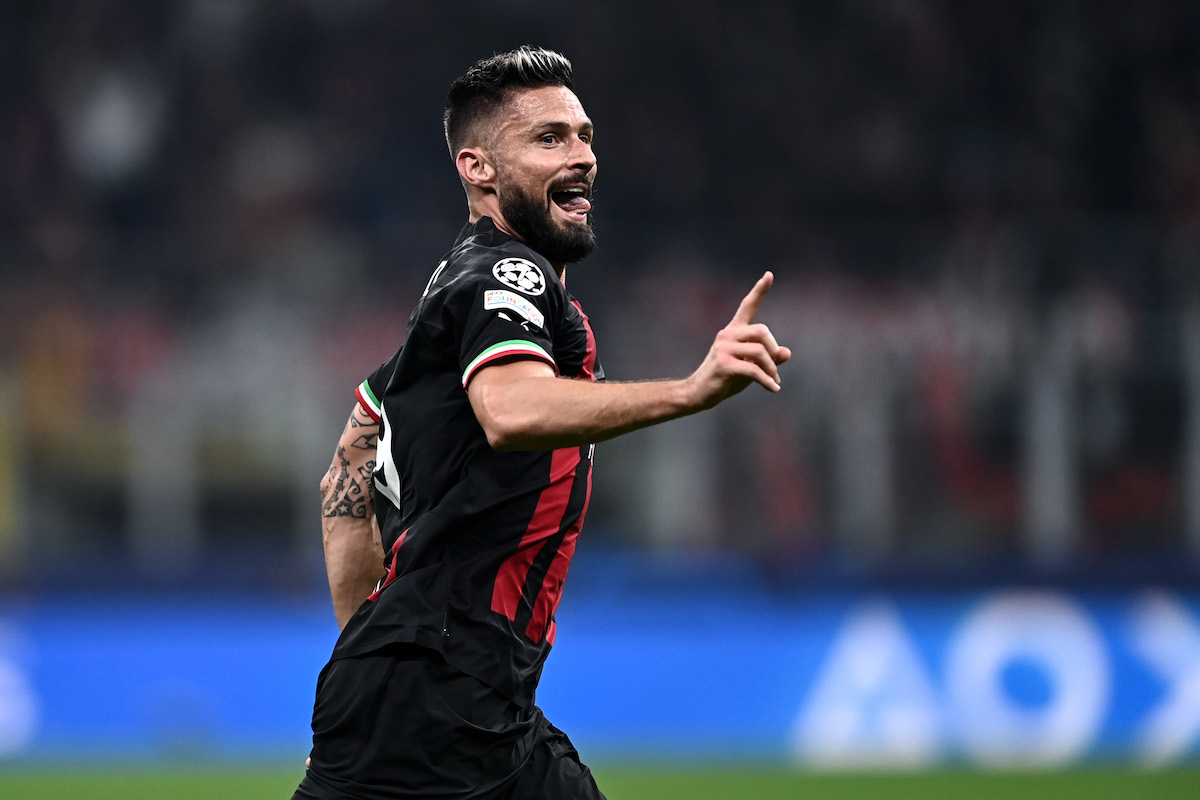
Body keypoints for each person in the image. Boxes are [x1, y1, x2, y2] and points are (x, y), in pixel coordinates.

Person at [293, 45, 791, 800]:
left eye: (584, 135)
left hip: (462, 698)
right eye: (549, 138)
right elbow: (510, 409)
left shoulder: (446, 307)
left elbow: (347, 476)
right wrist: (690, 391)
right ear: (478, 169)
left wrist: (367, 655)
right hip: (434, 700)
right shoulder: (506, 272)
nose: (582, 155)